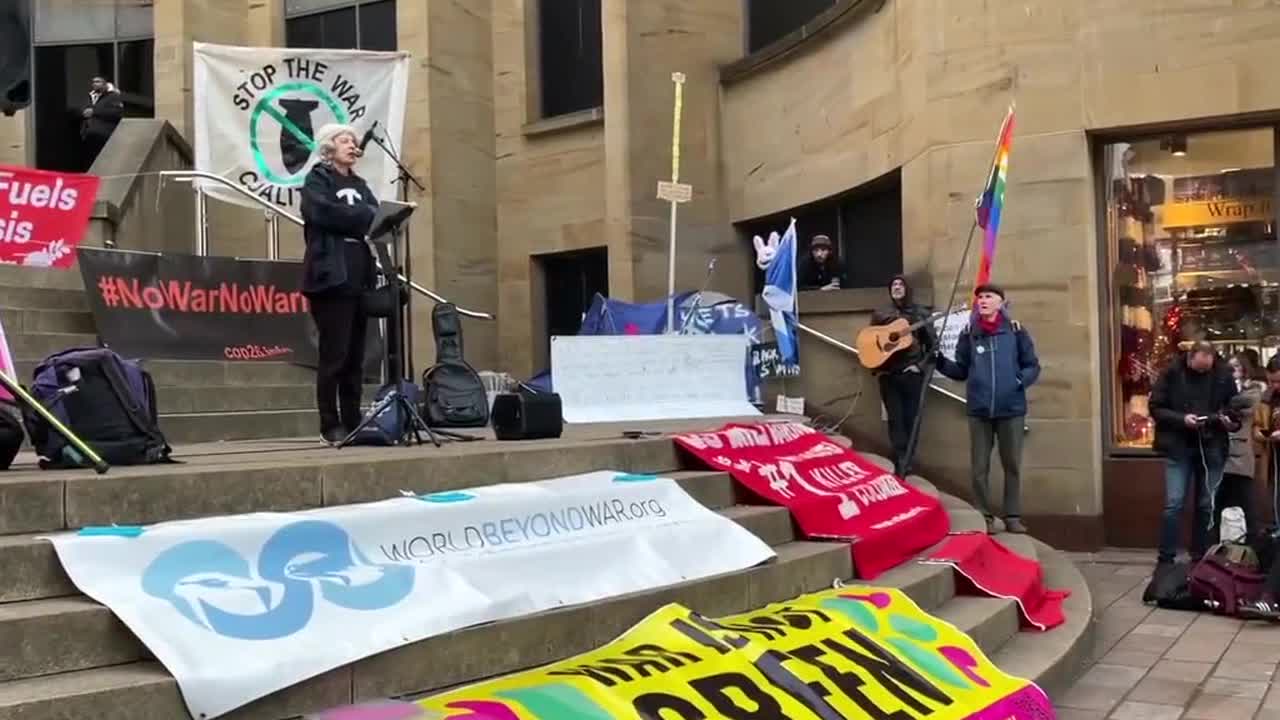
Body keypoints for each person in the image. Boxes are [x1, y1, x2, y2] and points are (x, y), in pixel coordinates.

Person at [935, 284, 1040, 534]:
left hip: (1011, 409)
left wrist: (1018, 381)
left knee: (1012, 464)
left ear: (1000, 302)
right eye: (980, 297)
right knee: (979, 467)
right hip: (979, 410)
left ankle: (1012, 516)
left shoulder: (1015, 332)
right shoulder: (969, 333)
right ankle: (984, 515)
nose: (982, 300)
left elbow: (1032, 366)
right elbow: (960, 369)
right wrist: (938, 361)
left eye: (988, 296)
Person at [300, 124, 378, 445]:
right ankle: (328, 424)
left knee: (356, 356)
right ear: (328, 147)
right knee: (335, 354)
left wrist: (358, 215)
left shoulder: (360, 183)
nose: (352, 144)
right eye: (344, 140)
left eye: (354, 141)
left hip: (359, 275)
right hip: (331, 276)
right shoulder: (317, 179)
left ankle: (353, 420)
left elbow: (375, 213)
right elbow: (321, 212)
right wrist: (358, 215)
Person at [1149, 340, 1240, 566]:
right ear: (1190, 358)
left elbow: (1234, 408)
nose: (1202, 371)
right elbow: (1156, 407)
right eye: (1198, 367)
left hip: (1212, 445)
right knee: (1174, 503)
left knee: (1206, 504)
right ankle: (1166, 558)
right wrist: (1182, 419)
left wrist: (1229, 420)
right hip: (1178, 445)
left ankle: (1200, 556)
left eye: (1206, 368)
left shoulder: (1223, 374)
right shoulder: (1171, 373)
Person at [868, 275, 936, 476]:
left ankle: (906, 465)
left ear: (908, 289)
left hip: (911, 375)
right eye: (893, 285)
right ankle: (900, 463)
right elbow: (871, 340)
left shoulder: (920, 314)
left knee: (911, 421)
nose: (897, 287)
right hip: (889, 375)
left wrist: (919, 367)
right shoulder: (881, 313)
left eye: (900, 284)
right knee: (895, 421)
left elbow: (933, 347)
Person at [1221, 352, 1265, 534]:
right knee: (1218, 505)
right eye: (1230, 368)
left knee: (1247, 504)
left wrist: (1225, 401)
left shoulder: (1252, 388)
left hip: (1240, 455)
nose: (1233, 371)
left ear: (1245, 369)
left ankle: (1254, 547)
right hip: (1220, 454)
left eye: (1237, 367)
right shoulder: (1221, 387)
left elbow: (1249, 401)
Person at [1252, 355, 1280, 522]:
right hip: (1273, 455)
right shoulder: (1265, 398)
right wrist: (1259, 434)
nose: (1274, 386)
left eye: (1278, 381)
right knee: (1275, 494)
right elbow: (1257, 424)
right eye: (1271, 381)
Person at [80, 76, 123, 168]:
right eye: (93, 82)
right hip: (89, 134)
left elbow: (116, 113)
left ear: (105, 84)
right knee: (89, 161)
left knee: (103, 161)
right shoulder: (91, 96)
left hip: (104, 135)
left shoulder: (113, 96)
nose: (95, 84)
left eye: (98, 82)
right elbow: (84, 110)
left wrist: (94, 112)